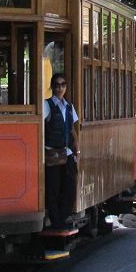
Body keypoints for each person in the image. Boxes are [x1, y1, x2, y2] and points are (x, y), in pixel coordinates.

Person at [43, 73, 79, 229]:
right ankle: (55, 219)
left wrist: (77, 150)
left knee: (70, 186)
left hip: (67, 152)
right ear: (52, 87)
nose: (60, 88)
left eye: (62, 85)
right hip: (52, 152)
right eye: (57, 85)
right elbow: (40, 126)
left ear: (66, 87)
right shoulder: (47, 105)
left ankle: (62, 217)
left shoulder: (69, 106)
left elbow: (72, 129)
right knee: (53, 187)